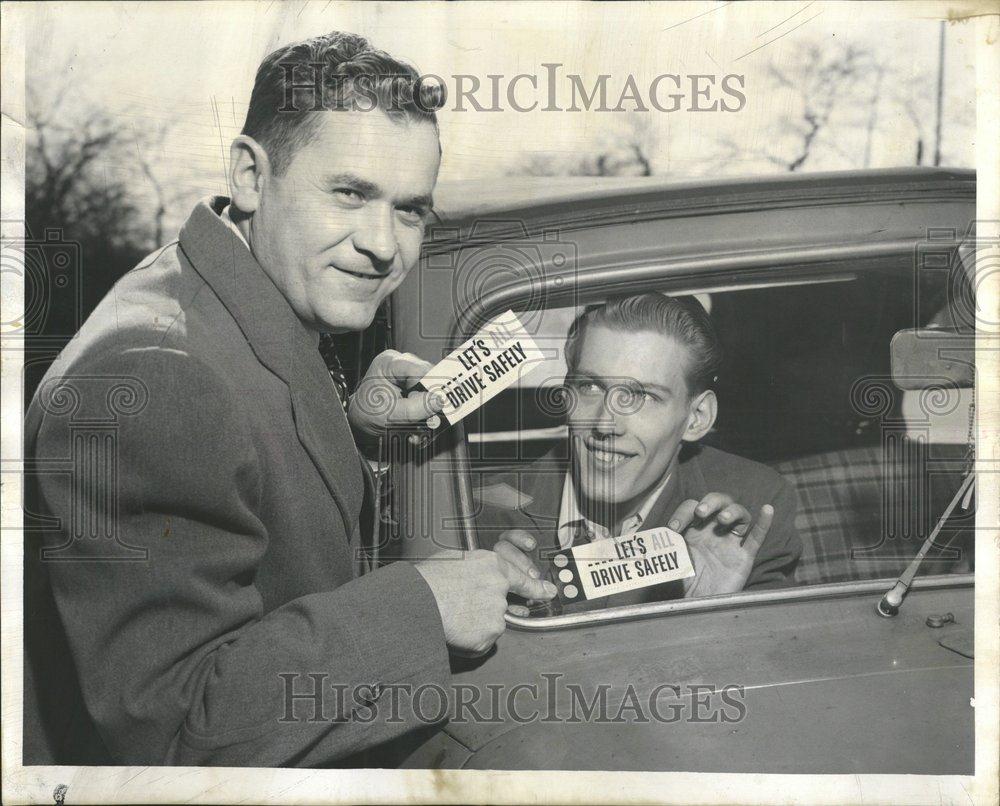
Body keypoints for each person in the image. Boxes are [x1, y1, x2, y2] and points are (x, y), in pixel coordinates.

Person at [23, 31, 553, 767]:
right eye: (350, 193)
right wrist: (423, 609)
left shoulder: (222, 302)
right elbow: (177, 731)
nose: (382, 244)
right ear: (248, 174)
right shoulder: (157, 375)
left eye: (409, 210)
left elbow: (250, 477)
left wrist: (353, 428)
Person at [475, 293, 802, 612]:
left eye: (642, 396)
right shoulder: (482, 511)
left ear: (697, 418)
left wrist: (708, 611)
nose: (605, 424)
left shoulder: (754, 506)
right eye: (590, 387)